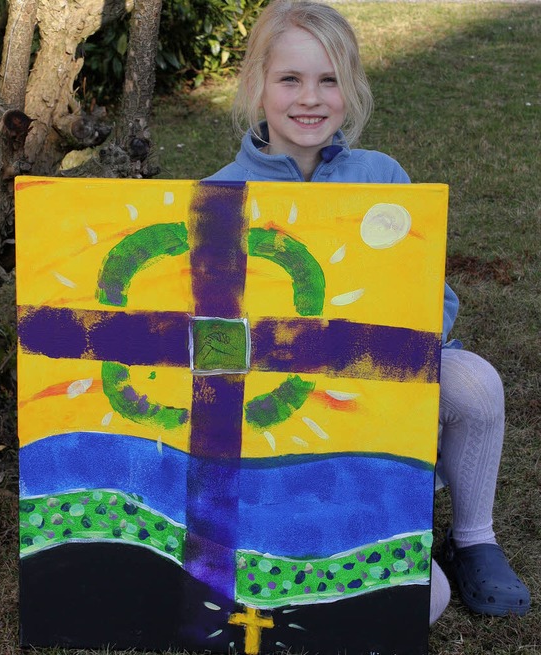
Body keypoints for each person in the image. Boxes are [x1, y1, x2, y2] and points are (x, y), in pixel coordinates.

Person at [206, 0, 531, 623]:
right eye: (290, 79)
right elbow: (209, 327)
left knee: (477, 387)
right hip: (276, 410)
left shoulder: (383, 176)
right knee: (412, 604)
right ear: (256, 87)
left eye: (329, 79)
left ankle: (474, 540)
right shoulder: (219, 194)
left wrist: (397, 351)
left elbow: (432, 295)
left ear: (351, 90)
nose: (310, 98)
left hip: (383, 384)